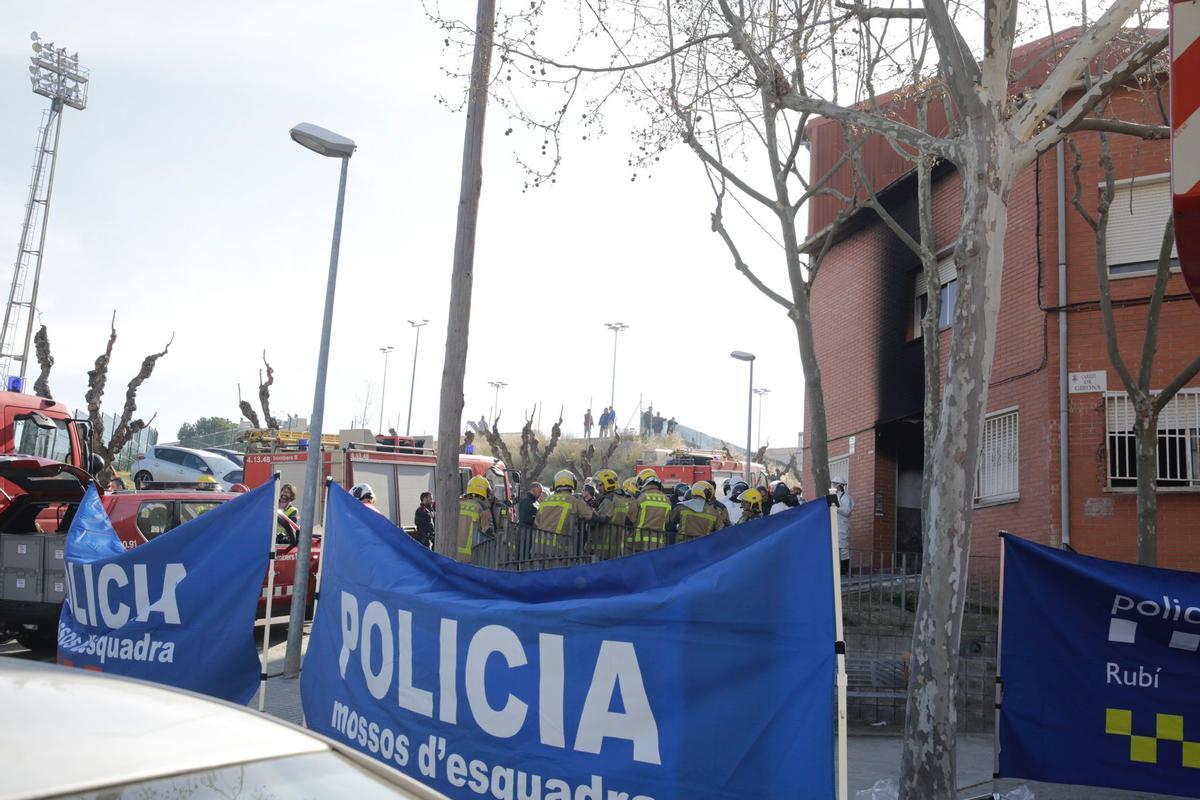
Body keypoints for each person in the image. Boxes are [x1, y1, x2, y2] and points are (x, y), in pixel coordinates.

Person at [535, 470, 594, 537]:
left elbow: (537, 521)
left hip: (539, 544)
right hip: (559, 545)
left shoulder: (546, 500)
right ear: (573, 484)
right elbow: (592, 516)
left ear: (555, 484)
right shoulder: (574, 501)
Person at [627, 468, 671, 552]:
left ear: (643, 481)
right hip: (658, 543)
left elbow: (631, 519)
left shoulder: (641, 498)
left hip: (638, 542)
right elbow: (667, 521)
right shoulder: (667, 500)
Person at [456, 476, 494, 562]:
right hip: (471, 559)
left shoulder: (457, 506)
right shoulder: (482, 510)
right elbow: (487, 533)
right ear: (485, 492)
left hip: (451, 556)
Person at [835, 480, 854, 575]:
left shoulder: (846, 497)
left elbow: (846, 511)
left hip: (842, 524)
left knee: (843, 547)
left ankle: (845, 569)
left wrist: (836, 508)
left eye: (835, 483)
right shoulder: (834, 496)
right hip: (834, 524)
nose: (834, 485)